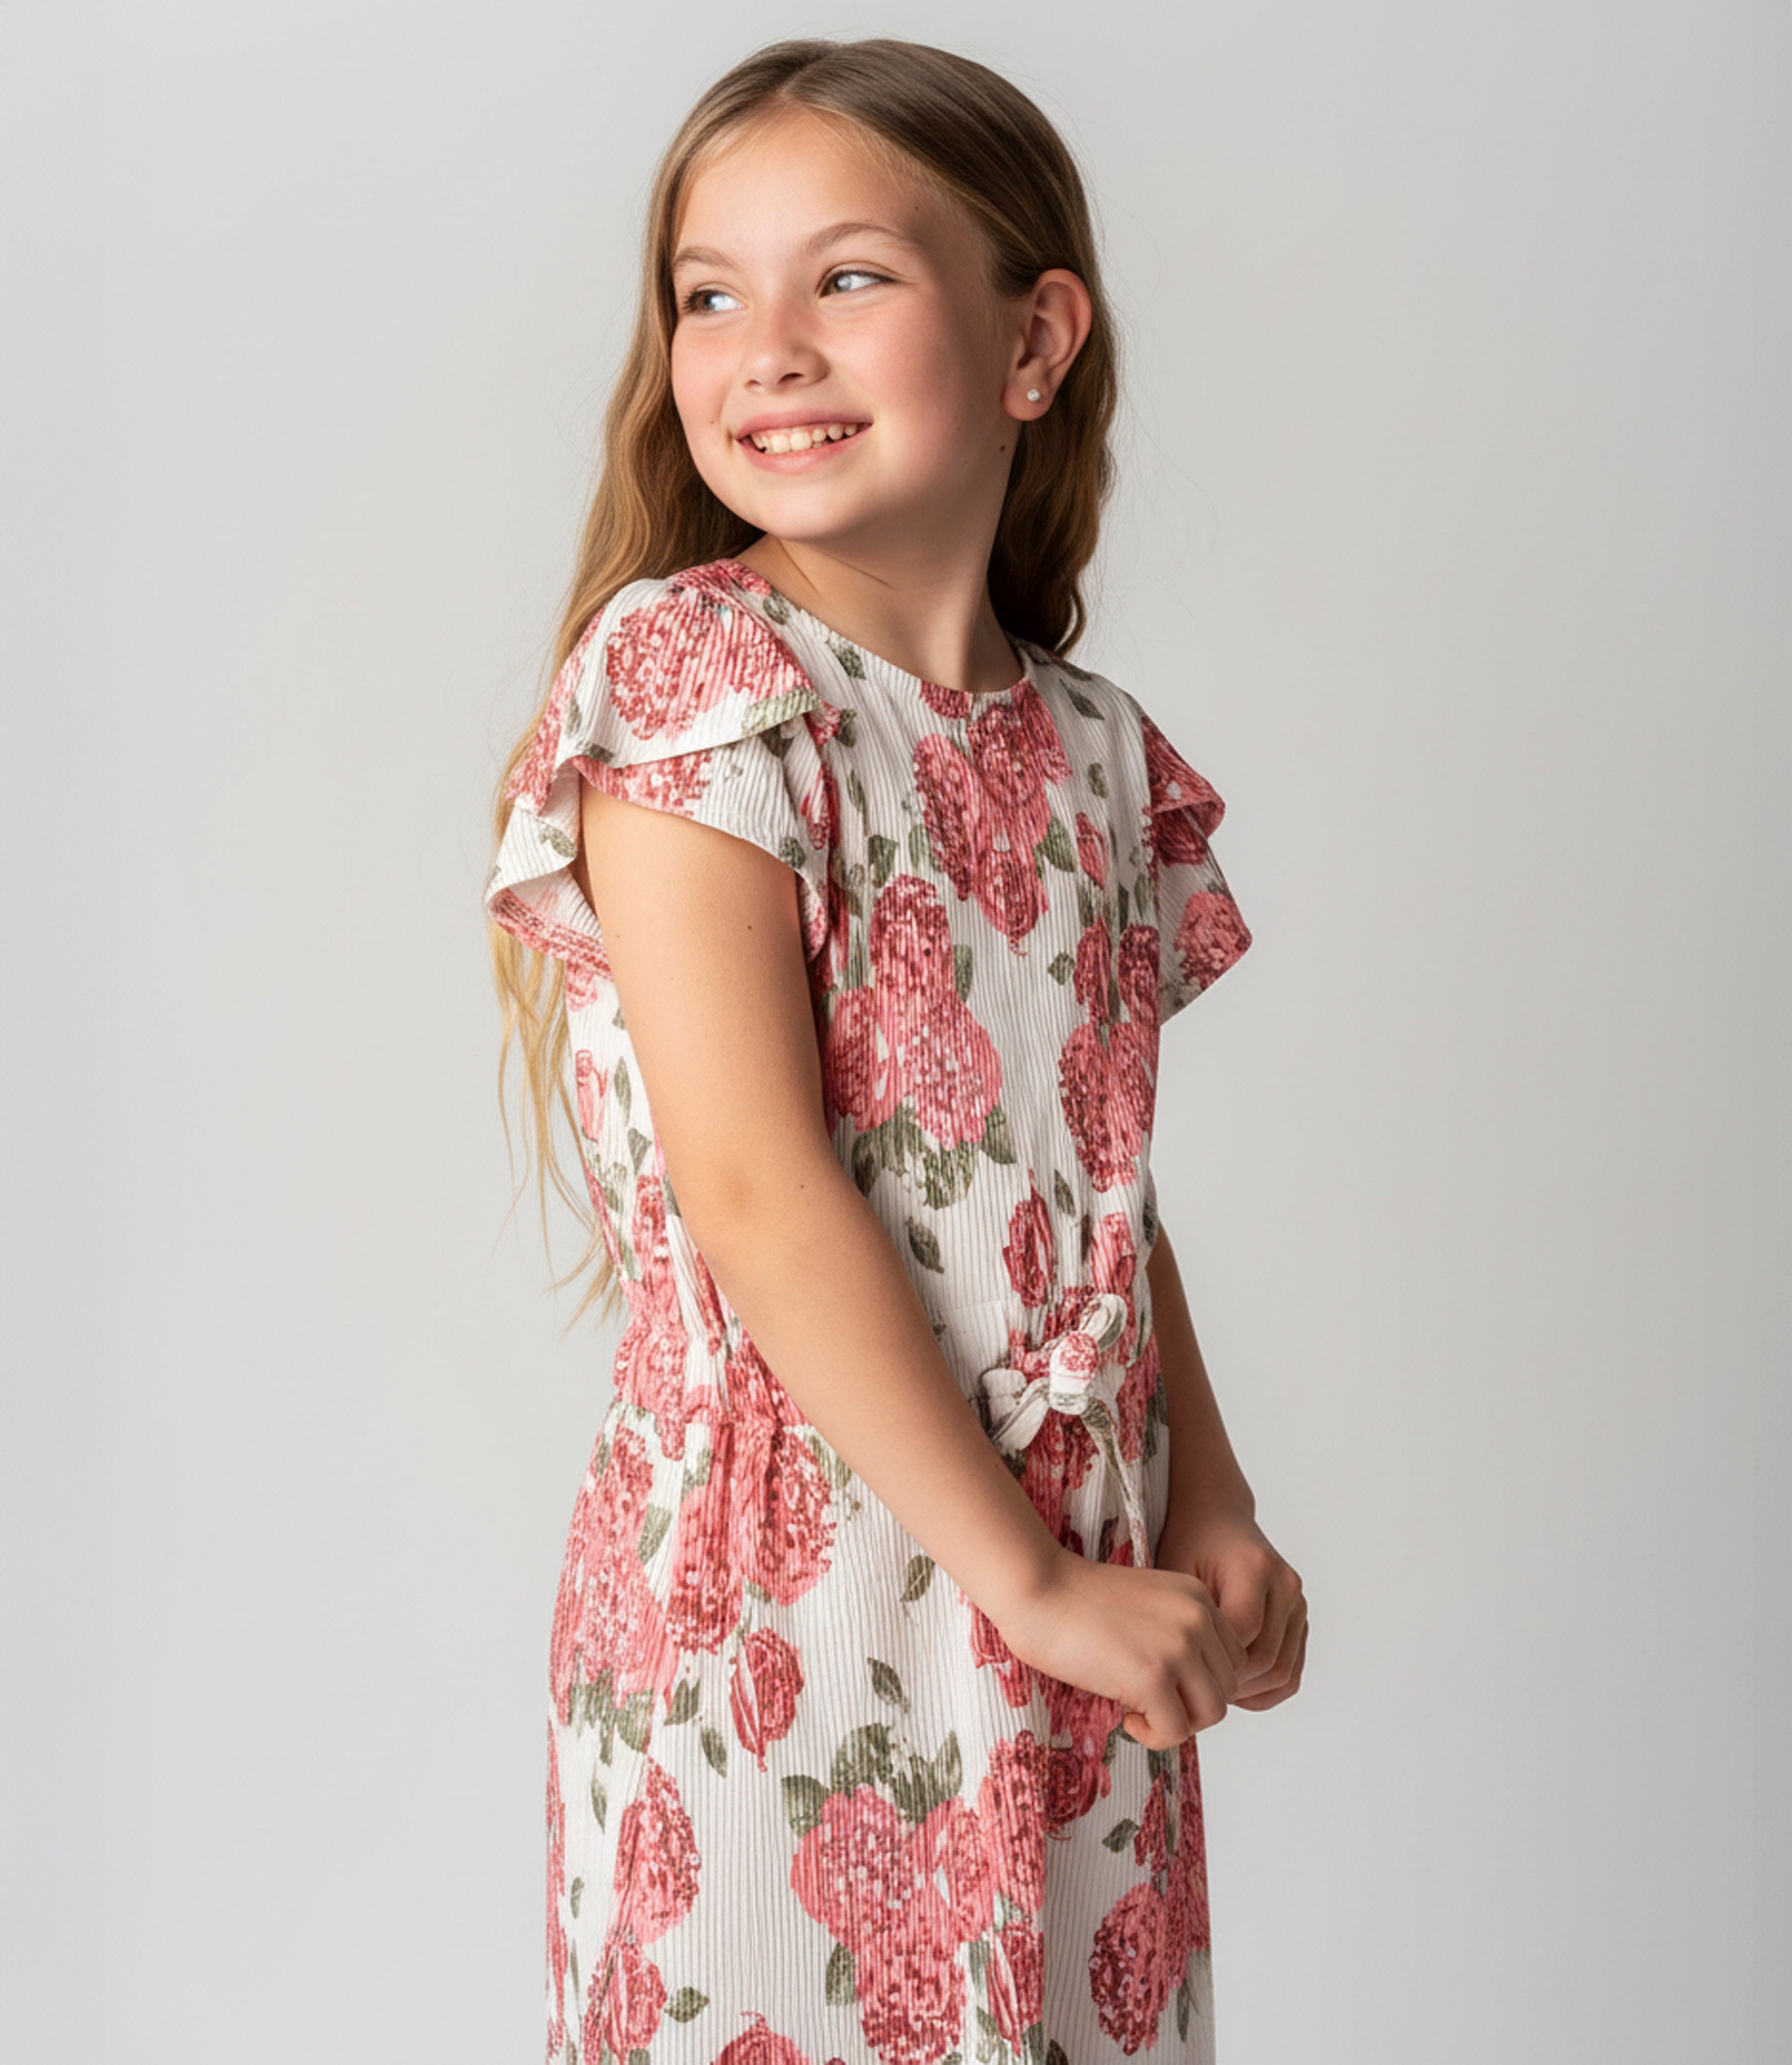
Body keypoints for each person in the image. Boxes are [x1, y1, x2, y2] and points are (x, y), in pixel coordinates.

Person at [484, 35, 1307, 2065]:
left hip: (1067, 1573)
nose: (765, 346)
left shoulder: (1095, 756)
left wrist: (1205, 1496)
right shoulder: (700, 679)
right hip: (783, 1596)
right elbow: (756, 1189)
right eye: (707, 294)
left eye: (845, 277)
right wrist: (1026, 1579)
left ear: (1033, 344)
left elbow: (1095, 1194)